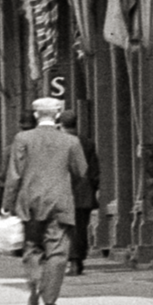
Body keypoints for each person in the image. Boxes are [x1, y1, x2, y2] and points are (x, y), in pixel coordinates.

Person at [1, 97, 88, 305]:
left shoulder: (22, 139)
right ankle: (49, 297)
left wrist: (7, 203)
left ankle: (34, 280)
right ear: (57, 115)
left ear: (35, 115)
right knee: (57, 250)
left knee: (31, 245)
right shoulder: (71, 142)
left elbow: (14, 174)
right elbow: (81, 171)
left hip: (29, 201)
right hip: (59, 201)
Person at [58, 109, 100, 276]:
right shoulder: (87, 143)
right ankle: (78, 260)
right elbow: (94, 170)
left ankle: (71, 261)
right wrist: (95, 187)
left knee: (66, 228)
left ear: (61, 124)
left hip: (63, 191)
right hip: (84, 193)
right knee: (80, 227)